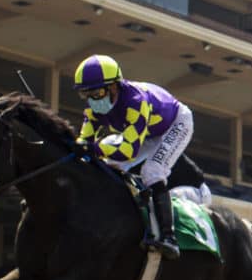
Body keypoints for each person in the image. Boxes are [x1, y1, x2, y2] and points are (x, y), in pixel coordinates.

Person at [73, 54, 195, 261]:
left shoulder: (135, 102)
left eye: (97, 92)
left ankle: (169, 236)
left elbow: (128, 151)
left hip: (176, 124)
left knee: (152, 171)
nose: (93, 99)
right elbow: (83, 141)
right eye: (86, 94)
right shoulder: (93, 108)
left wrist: (95, 148)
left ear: (114, 87)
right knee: (109, 164)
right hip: (147, 131)